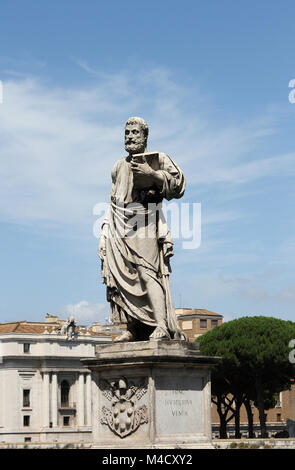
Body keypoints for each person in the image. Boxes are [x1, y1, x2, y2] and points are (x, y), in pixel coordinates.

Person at [99, 116, 186, 342]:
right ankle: (133, 328)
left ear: (145, 136)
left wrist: (152, 174)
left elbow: (179, 185)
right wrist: (104, 232)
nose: (129, 137)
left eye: (134, 133)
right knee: (124, 276)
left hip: (145, 222)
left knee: (147, 272)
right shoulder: (118, 166)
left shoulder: (158, 159)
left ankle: (161, 326)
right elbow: (112, 202)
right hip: (118, 225)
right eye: (126, 133)